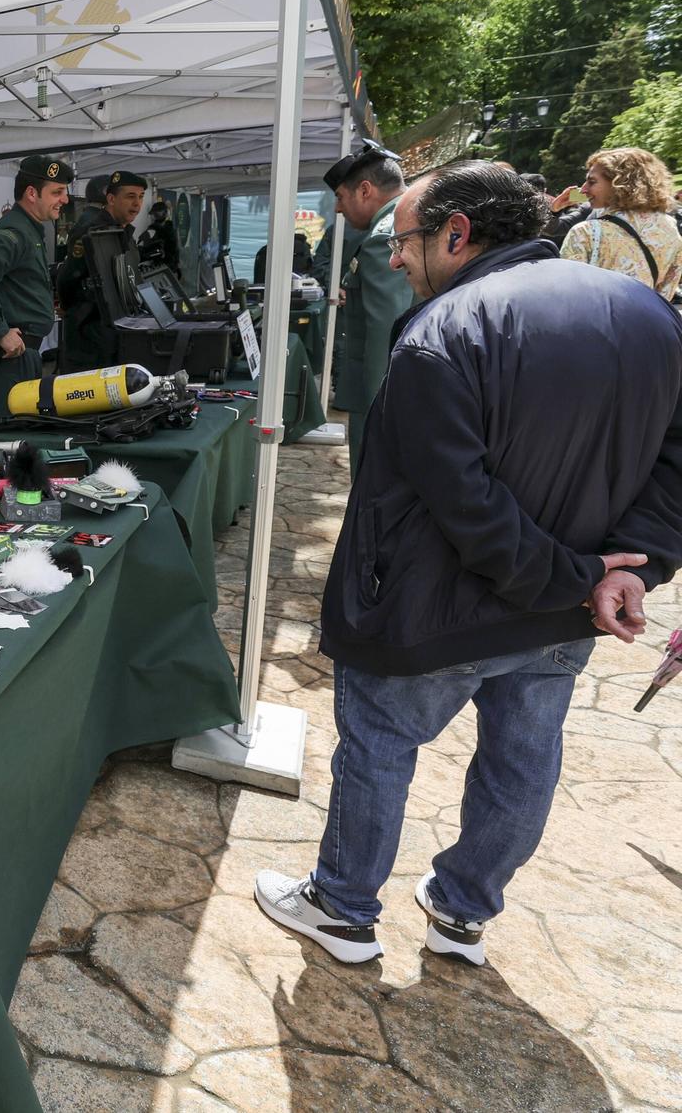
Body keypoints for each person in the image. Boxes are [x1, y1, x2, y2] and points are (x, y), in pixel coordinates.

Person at [256, 161, 682, 967]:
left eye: (403, 240)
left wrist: (589, 574)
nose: (392, 259)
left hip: (440, 604)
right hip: (565, 608)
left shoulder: (443, 330)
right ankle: (462, 913)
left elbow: (461, 499)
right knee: (523, 762)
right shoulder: (650, 317)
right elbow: (673, 462)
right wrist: (630, 568)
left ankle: (344, 907)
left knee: (380, 746)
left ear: (457, 234)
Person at [314, 139, 415, 478]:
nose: (339, 210)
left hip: (381, 397)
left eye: (340, 198)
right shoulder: (406, 226)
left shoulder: (383, 238)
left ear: (365, 190)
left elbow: (386, 329)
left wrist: (380, 414)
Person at [0, 155, 69, 416]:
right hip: (13, 356)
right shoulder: (14, 231)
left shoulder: (29, 229)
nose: (65, 200)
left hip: (26, 353)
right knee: (6, 434)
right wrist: (1, 331)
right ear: (32, 193)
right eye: (57, 192)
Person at [556, 147, 682, 299]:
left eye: (592, 181)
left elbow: (566, 296)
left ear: (619, 184)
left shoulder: (586, 232)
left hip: (598, 321)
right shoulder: (670, 228)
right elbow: (666, 294)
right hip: (649, 321)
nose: (583, 189)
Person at [55, 170, 146, 373]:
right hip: (90, 337)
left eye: (140, 197)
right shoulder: (92, 231)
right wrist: (76, 310)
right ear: (111, 199)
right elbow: (67, 279)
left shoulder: (124, 233)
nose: (137, 204)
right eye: (130, 197)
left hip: (118, 333)